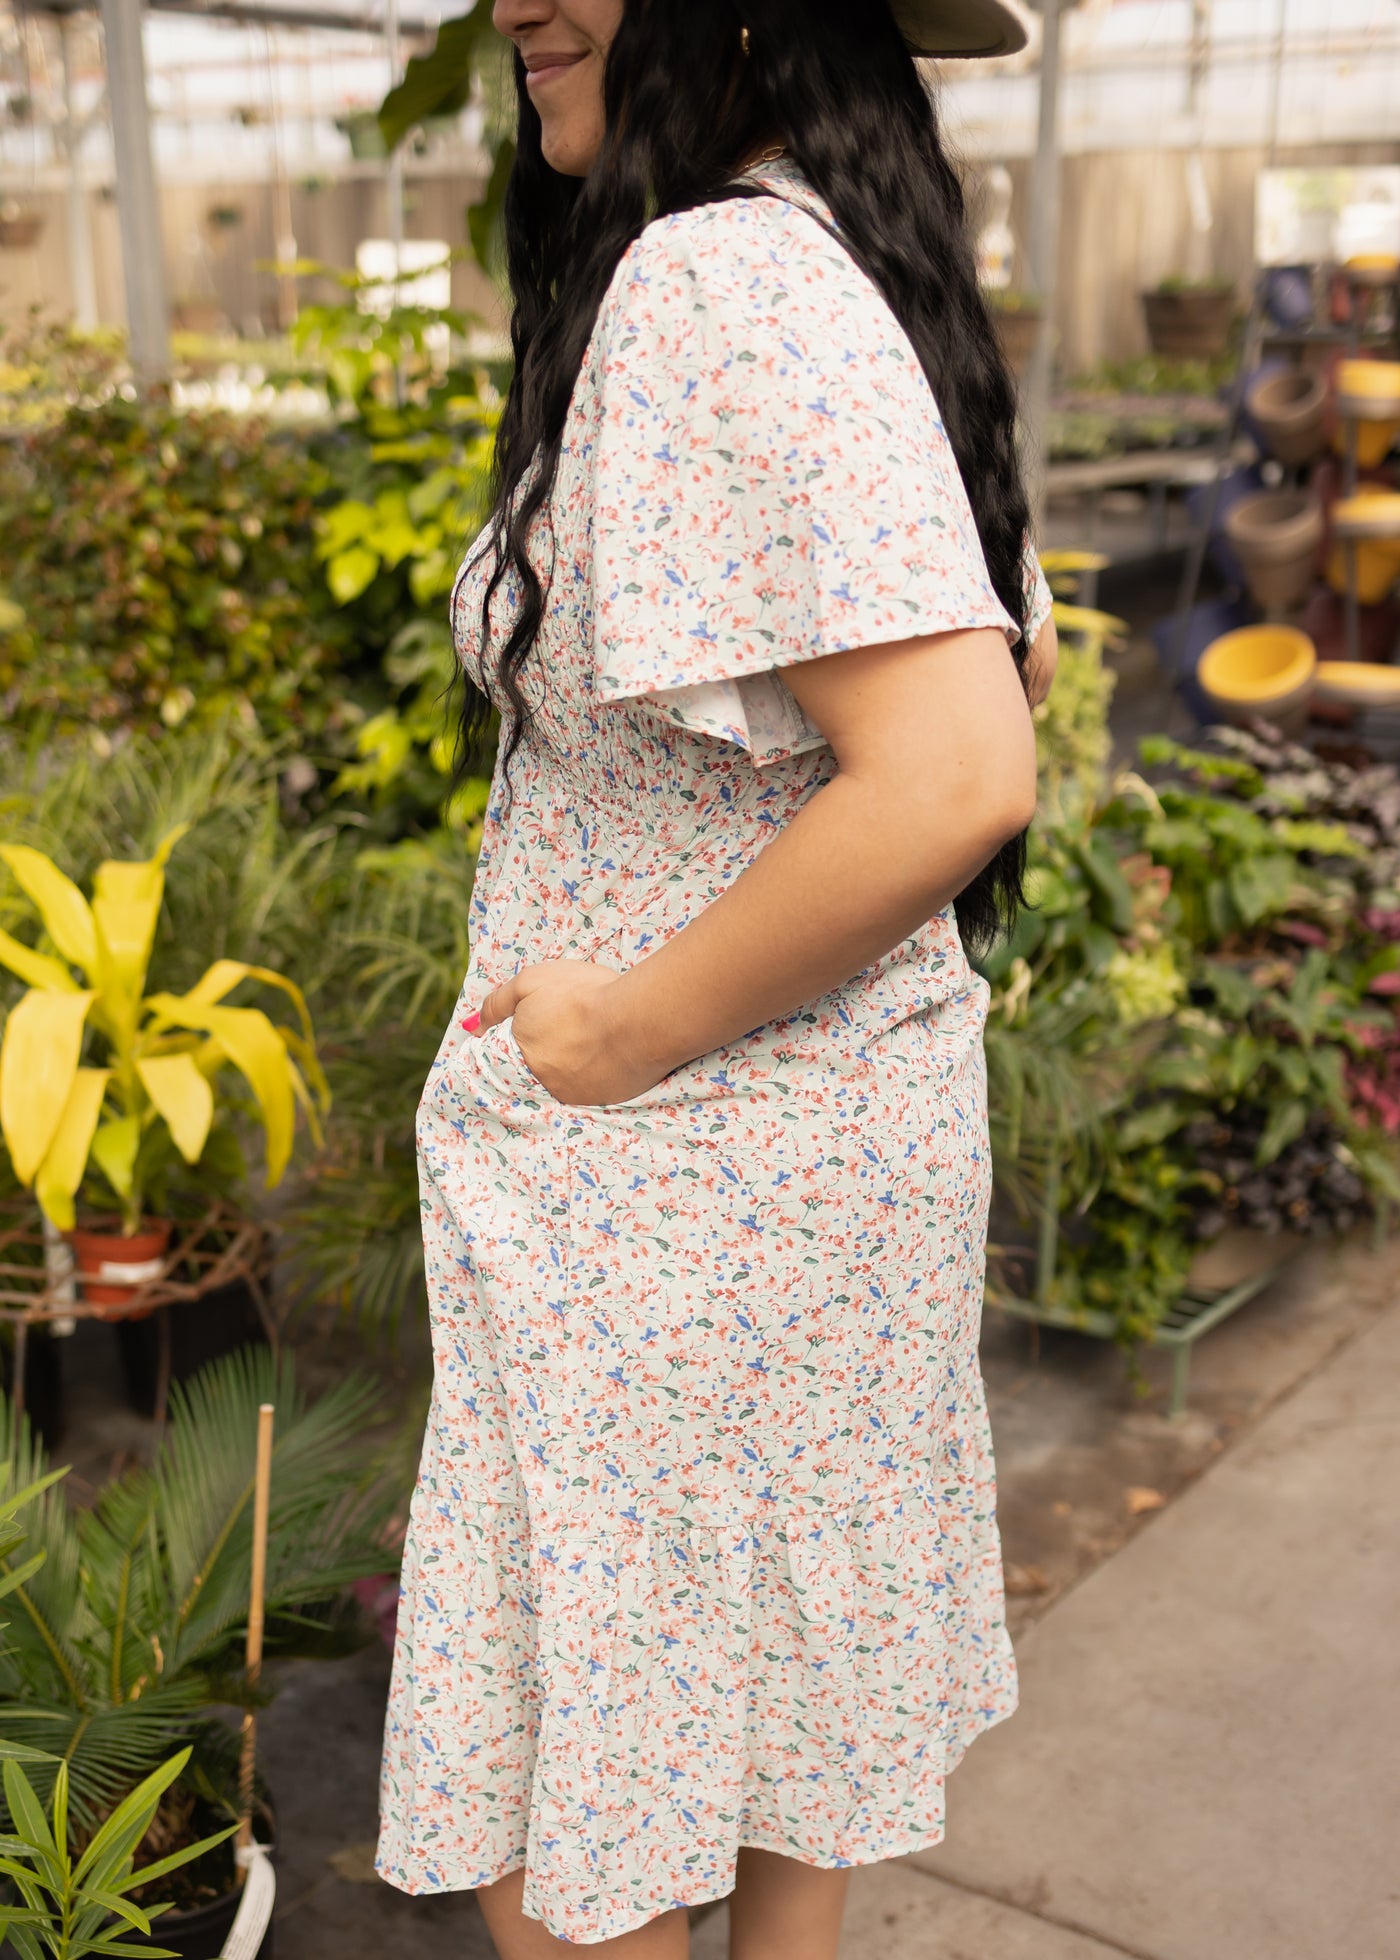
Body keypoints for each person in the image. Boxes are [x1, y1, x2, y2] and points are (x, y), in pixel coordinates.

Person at [376, 1, 1059, 1954]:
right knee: (764, 1778)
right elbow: (992, 676)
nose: (524, 1)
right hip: (798, 1178)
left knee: (579, 1849)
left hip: (682, 1191)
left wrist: (619, 1027)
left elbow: (950, 765)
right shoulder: (831, 262)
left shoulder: (710, 283)